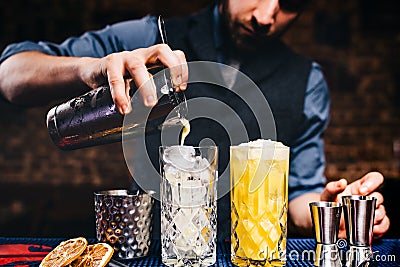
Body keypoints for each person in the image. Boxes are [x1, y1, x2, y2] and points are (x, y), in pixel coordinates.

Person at [0, 0, 389, 239]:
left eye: (291, 2)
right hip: (152, 253)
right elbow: (11, 75)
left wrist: (328, 211)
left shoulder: (308, 82)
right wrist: (91, 66)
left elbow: (297, 198)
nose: (267, 15)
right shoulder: (151, 35)